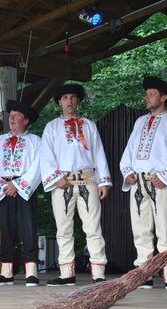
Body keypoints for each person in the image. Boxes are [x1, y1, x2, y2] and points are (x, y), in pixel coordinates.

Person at [119, 76, 167, 291]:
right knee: (140, 229)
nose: (146, 97)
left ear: (163, 97)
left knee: (165, 228)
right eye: (147, 93)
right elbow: (129, 150)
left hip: (160, 181)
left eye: (151, 94)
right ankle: (144, 274)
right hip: (138, 182)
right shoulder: (140, 122)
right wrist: (128, 172)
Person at [40, 84, 112, 285]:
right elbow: (46, 156)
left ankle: (98, 273)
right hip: (63, 182)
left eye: (72, 97)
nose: (69, 101)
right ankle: (67, 273)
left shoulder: (88, 125)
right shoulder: (52, 127)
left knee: (93, 227)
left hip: (88, 180)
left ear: (77, 100)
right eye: (65, 98)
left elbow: (98, 152)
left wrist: (103, 181)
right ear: (59, 102)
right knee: (63, 228)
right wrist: (56, 178)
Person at [0, 100, 41, 287]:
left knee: (28, 229)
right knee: (7, 229)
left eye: (17, 116)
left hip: (25, 189)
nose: (12, 119)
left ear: (26, 120)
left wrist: (18, 185)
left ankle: (31, 272)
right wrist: (3, 186)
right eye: (11, 116)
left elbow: (38, 166)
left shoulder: (35, 141)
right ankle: (6, 272)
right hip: (4, 188)